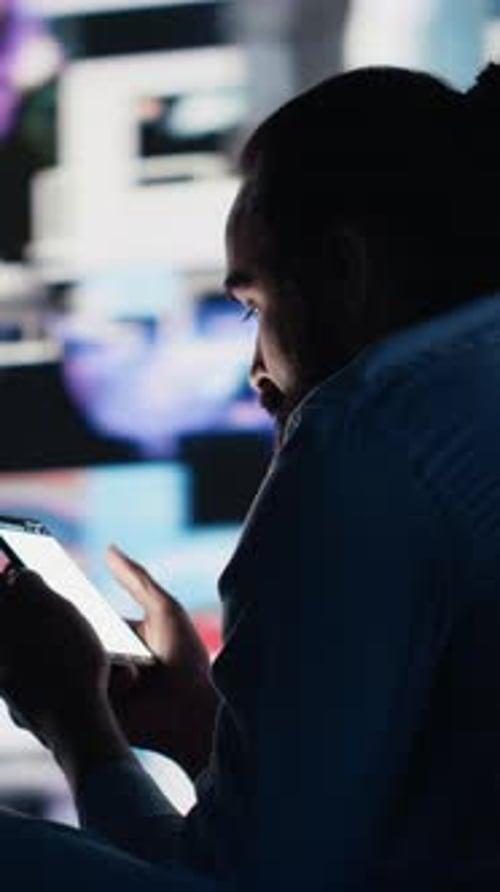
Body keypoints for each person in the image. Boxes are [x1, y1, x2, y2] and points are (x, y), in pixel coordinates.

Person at [2, 62, 500, 891]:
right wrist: (205, 734)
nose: (255, 373)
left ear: (346, 269)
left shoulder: (365, 438)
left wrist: (74, 720)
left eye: (254, 307)